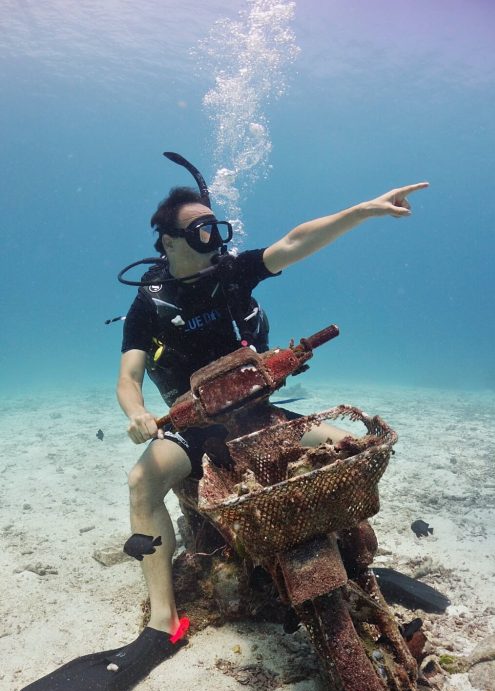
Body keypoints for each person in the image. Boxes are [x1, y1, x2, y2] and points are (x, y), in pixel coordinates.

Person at [117, 164, 429, 641]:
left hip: (258, 413)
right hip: (193, 428)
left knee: (351, 446)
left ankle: (353, 556)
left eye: (217, 229)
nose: (215, 242)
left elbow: (295, 242)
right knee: (142, 479)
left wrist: (365, 210)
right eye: (202, 232)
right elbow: (128, 377)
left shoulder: (233, 273)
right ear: (169, 240)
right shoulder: (149, 303)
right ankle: (164, 621)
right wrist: (137, 413)